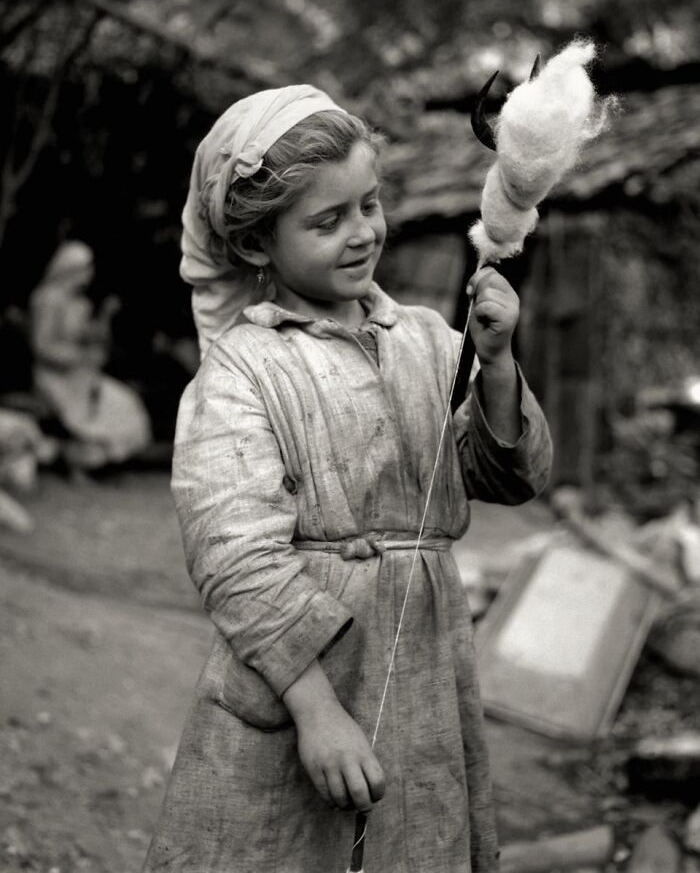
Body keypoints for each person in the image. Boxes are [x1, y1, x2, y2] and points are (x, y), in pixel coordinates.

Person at [143, 85, 552, 873]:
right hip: (298, 680)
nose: (362, 233)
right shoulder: (242, 371)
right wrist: (317, 713)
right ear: (258, 245)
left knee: (412, 840)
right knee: (278, 847)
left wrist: (496, 363)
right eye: (326, 222)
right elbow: (237, 562)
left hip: (425, 662)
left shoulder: (431, 340)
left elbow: (511, 478)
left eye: (368, 204)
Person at [29, 240, 151, 470]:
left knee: (124, 403)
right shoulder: (45, 299)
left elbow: (93, 342)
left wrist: (105, 317)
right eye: (87, 267)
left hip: (82, 377)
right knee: (86, 413)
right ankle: (78, 460)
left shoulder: (80, 304)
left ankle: (96, 460)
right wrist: (78, 358)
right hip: (54, 377)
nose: (90, 274)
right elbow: (42, 347)